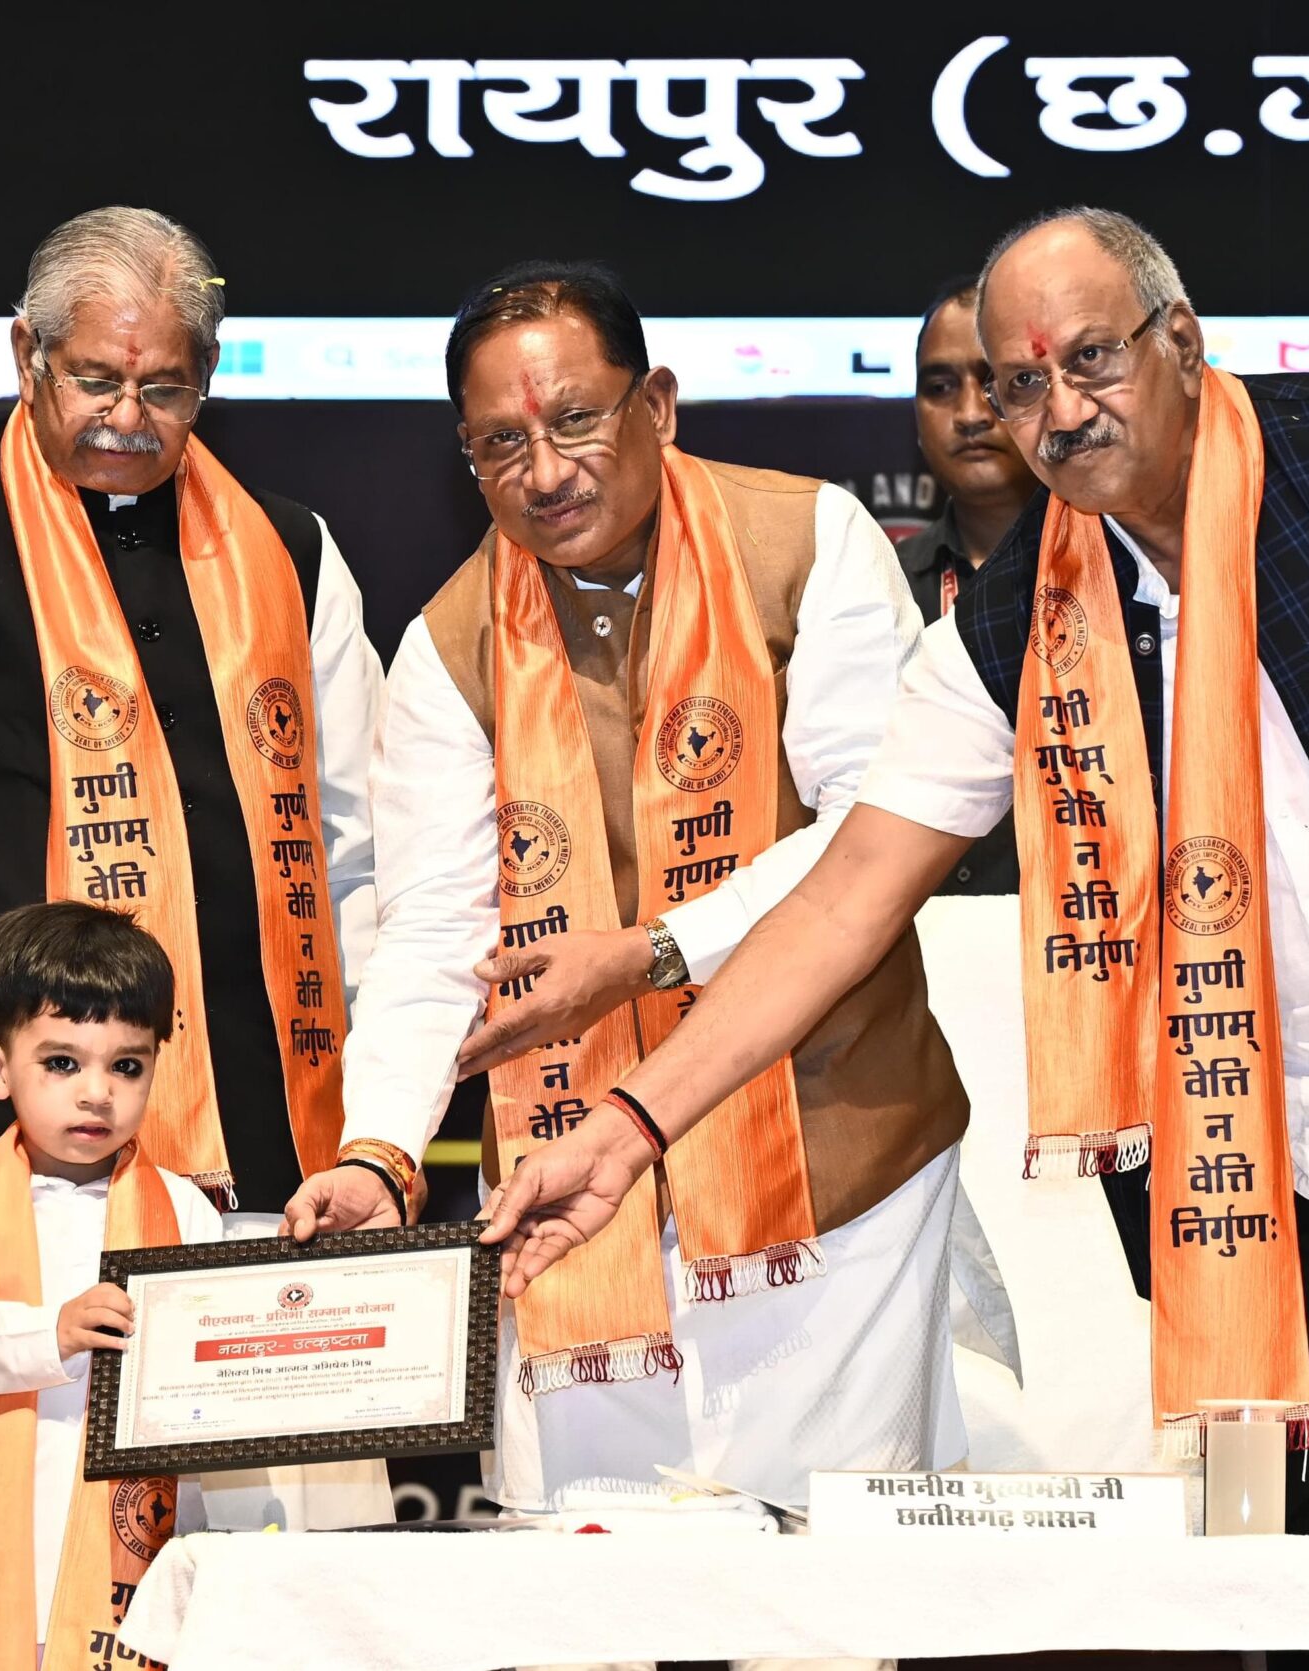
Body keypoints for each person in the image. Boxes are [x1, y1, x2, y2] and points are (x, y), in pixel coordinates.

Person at [485, 208, 1309, 1571]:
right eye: (1018, 382)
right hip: (1262, 1151)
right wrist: (629, 1125)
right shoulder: (1008, 625)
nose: (1058, 410)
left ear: (1182, 340)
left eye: (1091, 359)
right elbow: (842, 898)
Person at [284, 260, 986, 1523]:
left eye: (575, 421)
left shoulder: (806, 541)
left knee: (823, 1584)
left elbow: (867, 835)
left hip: (835, 1163)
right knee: (595, 1579)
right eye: (501, 444)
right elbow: (436, 931)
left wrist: (651, 951)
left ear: (655, 404)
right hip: (572, 1186)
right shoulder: (447, 643)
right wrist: (379, 1152)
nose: (544, 472)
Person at [0, 205, 388, 1548]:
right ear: (25, 354)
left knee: (289, 1560)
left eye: (167, 387)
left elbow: (360, 842)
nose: (130, 418)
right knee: (12, 1552)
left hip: (272, 1139)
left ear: (210, 377)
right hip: (22, 1138)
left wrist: (372, 1112)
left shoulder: (293, 551)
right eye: (96, 379)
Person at [0, 901, 222, 1671]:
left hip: (147, 1555)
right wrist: (53, 1334)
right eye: (63, 1063)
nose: (97, 1092)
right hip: (6, 1551)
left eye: (126, 1066)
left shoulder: (186, 1208)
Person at [895, 275, 1039, 896]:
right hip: (920, 928)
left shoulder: (1122, 571)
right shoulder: (876, 586)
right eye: (939, 387)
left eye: (994, 380)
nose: (972, 414)